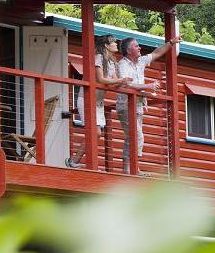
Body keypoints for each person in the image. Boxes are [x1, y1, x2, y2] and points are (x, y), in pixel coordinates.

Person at [116, 35, 181, 175]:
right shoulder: (122, 64)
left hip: (137, 105)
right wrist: (149, 86)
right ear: (128, 50)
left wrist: (171, 43)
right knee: (137, 136)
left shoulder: (141, 61)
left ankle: (130, 169)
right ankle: (132, 169)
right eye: (136, 46)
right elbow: (127, 84)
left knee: (132, 137)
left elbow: (157, 52)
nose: (139, 48)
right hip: (126, 105)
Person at [66, 35, 132, 168]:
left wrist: (128, 83)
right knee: (95, 133)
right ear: (106, 45)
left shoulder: (112, 61)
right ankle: (80, 162)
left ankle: (74, 160)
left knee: (97, 134)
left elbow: (113, 82)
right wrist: (120, 80)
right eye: (113, 42)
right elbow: (101, 79)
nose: (116, 44)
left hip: (98, 103)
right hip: (86, 100)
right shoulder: (98, 58)